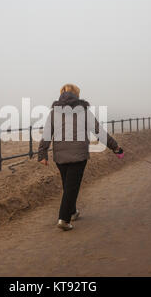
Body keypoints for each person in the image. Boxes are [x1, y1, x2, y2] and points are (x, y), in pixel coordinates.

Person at [38, 83, 123, 231]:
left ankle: (72, 212)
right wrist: (115, 147)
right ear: (77, 94)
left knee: (68, 186)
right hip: (78, 155)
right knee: (72, 187)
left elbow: (46, 134)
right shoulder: (83, 111)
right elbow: (99, 131)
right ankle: (63, 219)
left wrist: (42, 154)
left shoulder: (54, 112)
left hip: (60, 156)